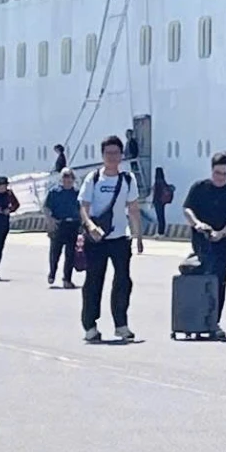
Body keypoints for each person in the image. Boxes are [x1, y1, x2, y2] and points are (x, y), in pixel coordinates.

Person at [80, 135, 144, 343]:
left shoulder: (127, 179)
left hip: (119, 238)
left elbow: (133, 209)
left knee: (123, 280)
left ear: (121, 155)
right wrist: (90, 226)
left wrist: (138, 236)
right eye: (108, 153)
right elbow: (84, 206)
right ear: (102, 155)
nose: (112, 157)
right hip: (96, 239)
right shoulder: (94, 179)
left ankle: (121, 324)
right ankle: (90, 325)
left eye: (116, 153)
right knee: (93, 281)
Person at [183, 153, 226, 339]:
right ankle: (194, 321)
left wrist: (222, 233)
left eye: (225, 174)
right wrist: (197, 224)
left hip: (224, 245)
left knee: (219, 283)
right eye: (218, 173)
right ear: (212, 170)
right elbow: (187, 209)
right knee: (198, 281)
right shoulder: (199, 188)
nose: (221, 177)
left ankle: (213, 322)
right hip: (201, 244)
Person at [44, 169, 83, 289]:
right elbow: (46, 208)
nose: (68, 180)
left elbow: (83, 209)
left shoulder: (77, 193)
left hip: (73, 224)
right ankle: (52, 273)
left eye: (70, 178)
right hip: (58, 224)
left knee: (70, 254)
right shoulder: (54, 192)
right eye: (65, 178)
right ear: (62, 179)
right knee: (55, 252)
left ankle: (67, 279)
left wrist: (83, 224)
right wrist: (50, 221)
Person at [150, 167, 174, 239]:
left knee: (159, 217)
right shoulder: (163, 181)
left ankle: (160, 232)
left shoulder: (157, 182)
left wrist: (153, 202)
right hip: (162, 202)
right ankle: (162, 232)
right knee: (162, 217)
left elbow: (156, 194)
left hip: (158, 202)